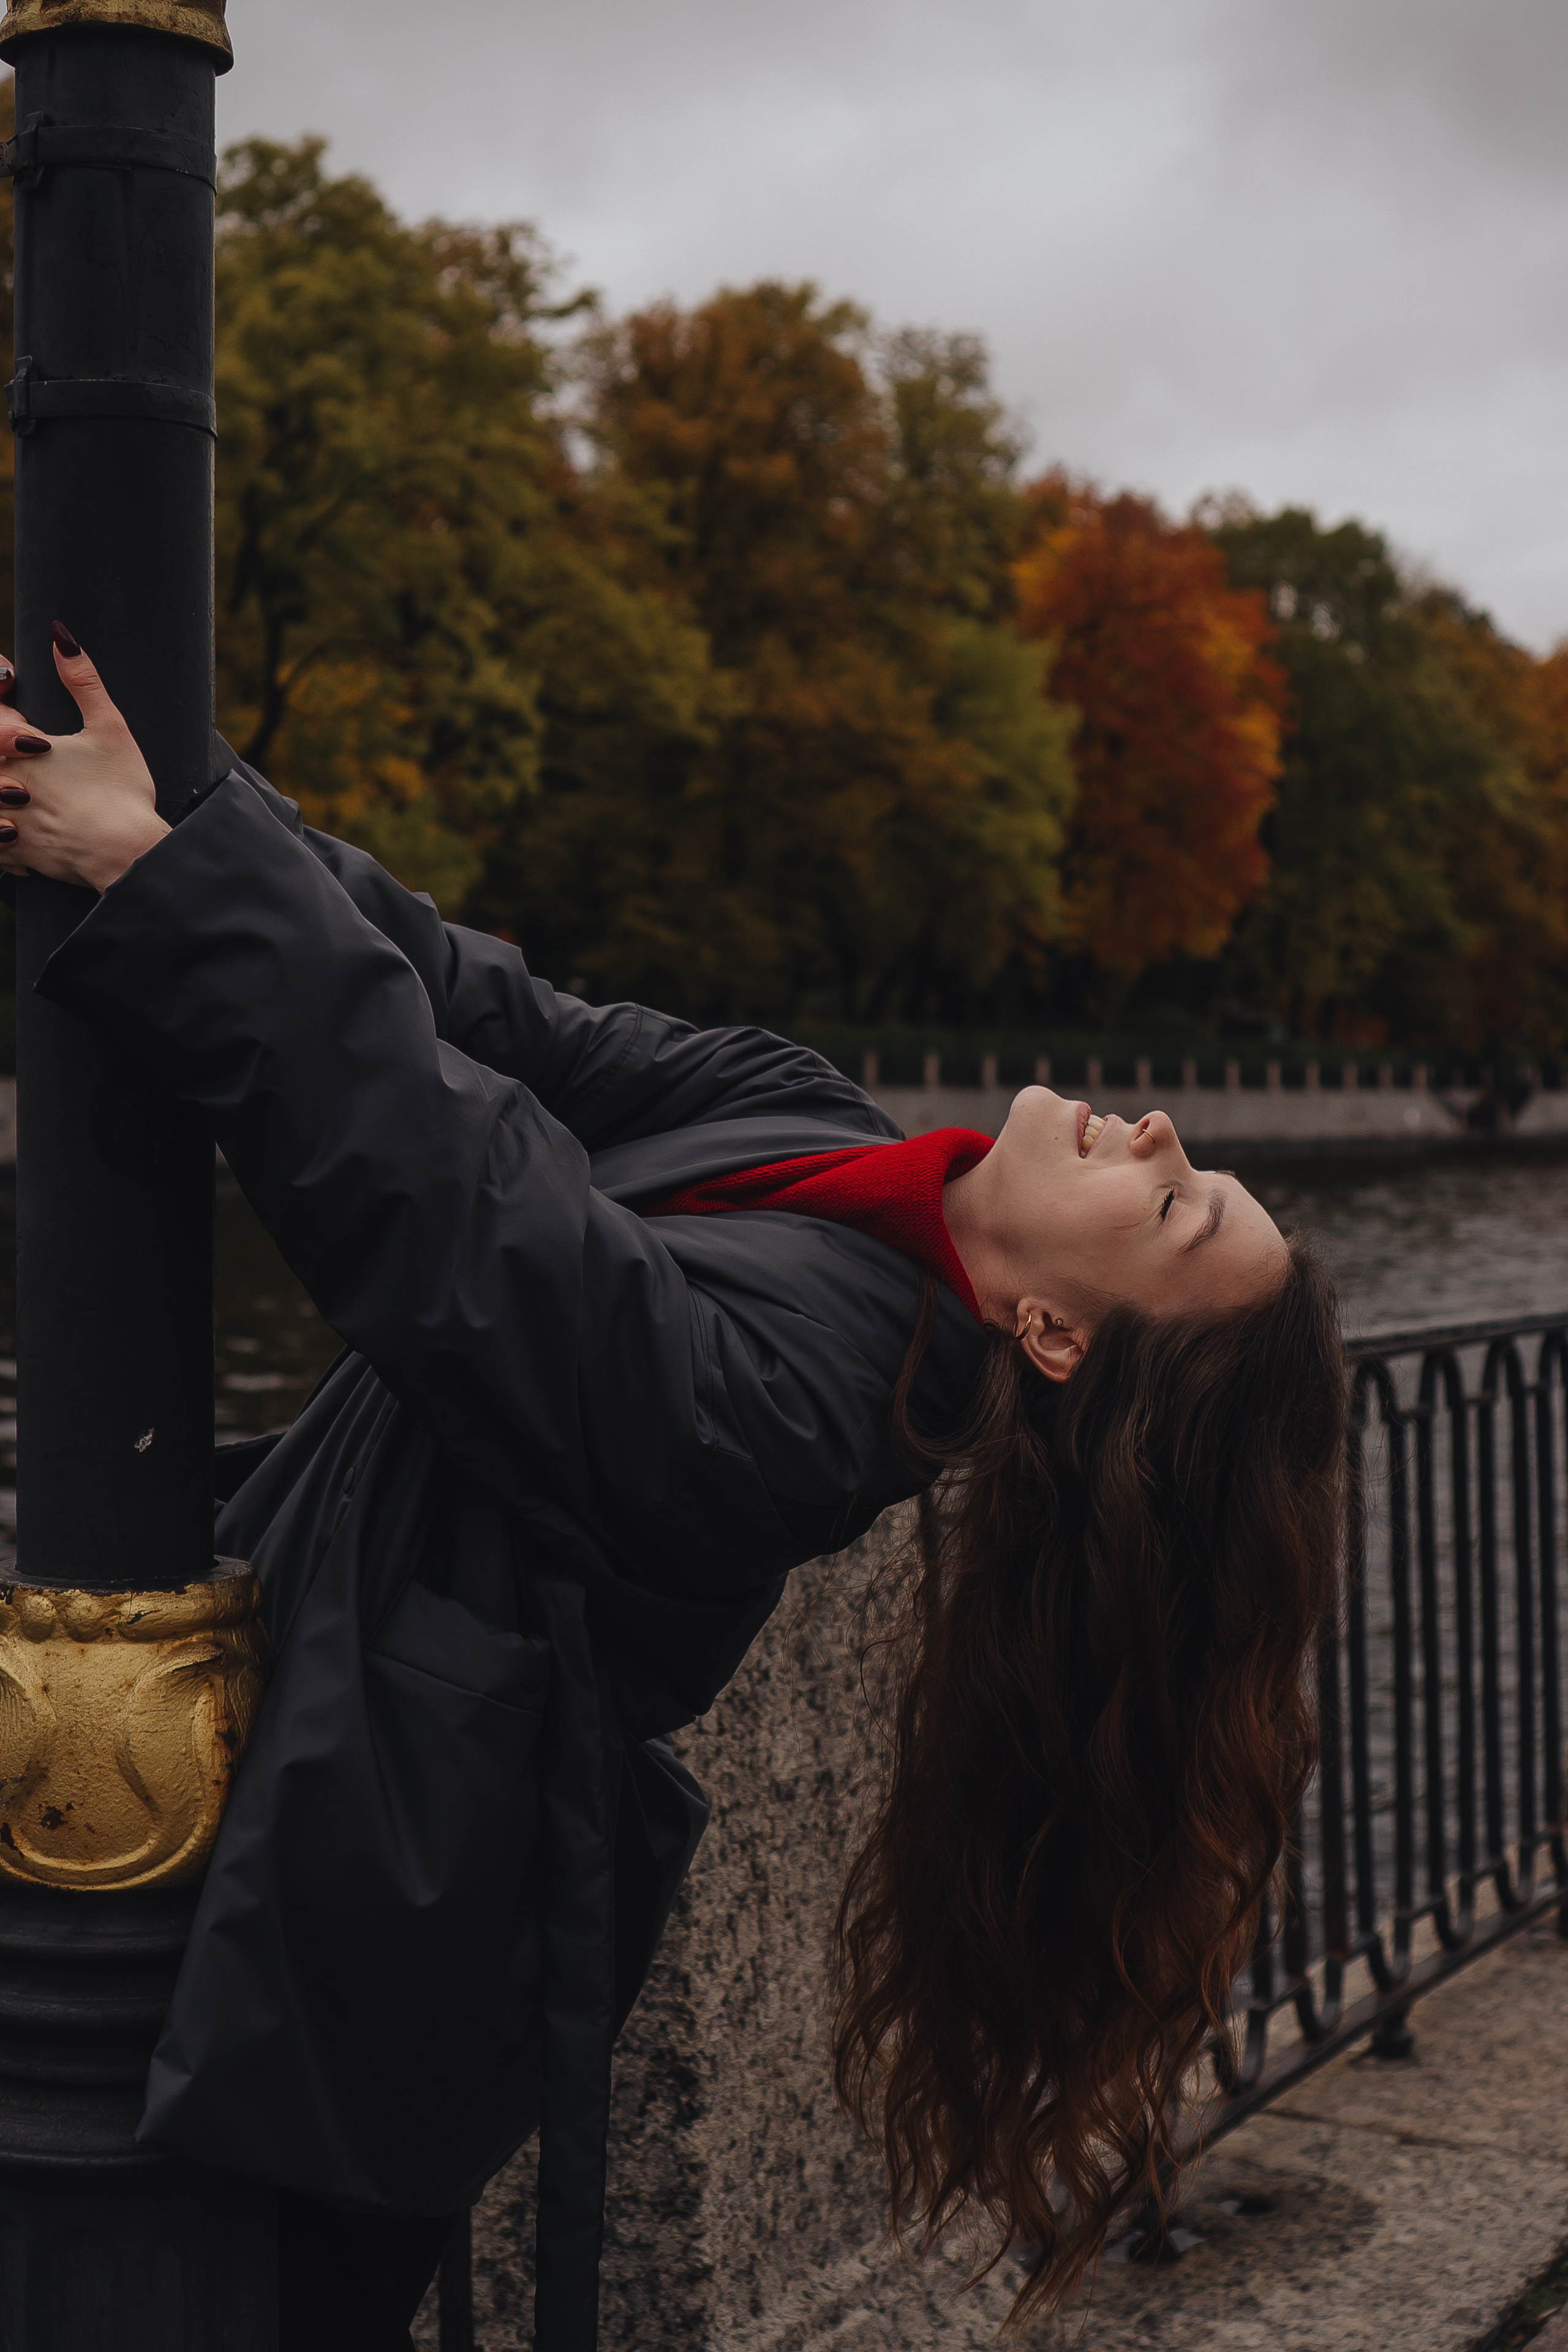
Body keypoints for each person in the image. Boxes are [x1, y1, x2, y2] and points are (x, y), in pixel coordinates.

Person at [0, 630, 1345, 2349]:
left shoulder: (802, 1418)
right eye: (1192, 1165)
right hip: (244, 1769)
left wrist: (170, 880)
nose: (1156, 1134)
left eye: (1176, 1211)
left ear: (1057, 1338)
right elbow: (487, 1019)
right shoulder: (824, 1125)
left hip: (330, 1931)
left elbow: (471, 1217)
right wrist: (183, 789)